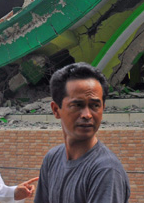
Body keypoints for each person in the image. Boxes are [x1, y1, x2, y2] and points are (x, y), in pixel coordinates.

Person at [34, 62, 130, 203]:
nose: (87, 115)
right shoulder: (52, 160)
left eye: (95, 106)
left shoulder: (105, 170)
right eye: (77, 105)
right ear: (56, 110)